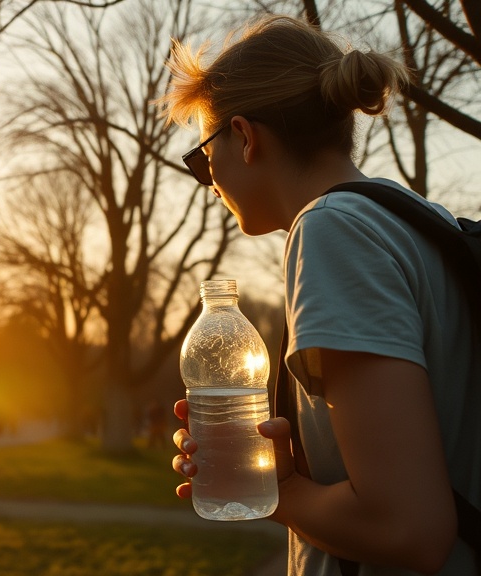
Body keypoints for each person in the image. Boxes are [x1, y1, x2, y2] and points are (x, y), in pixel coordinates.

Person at [161, 15, 478, 575]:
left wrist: (269, 488)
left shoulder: (333, 231)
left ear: (244, 137)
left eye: (204, 159)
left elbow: (408, 529)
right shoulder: (419, 219)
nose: (210, 183)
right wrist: (285, 470)